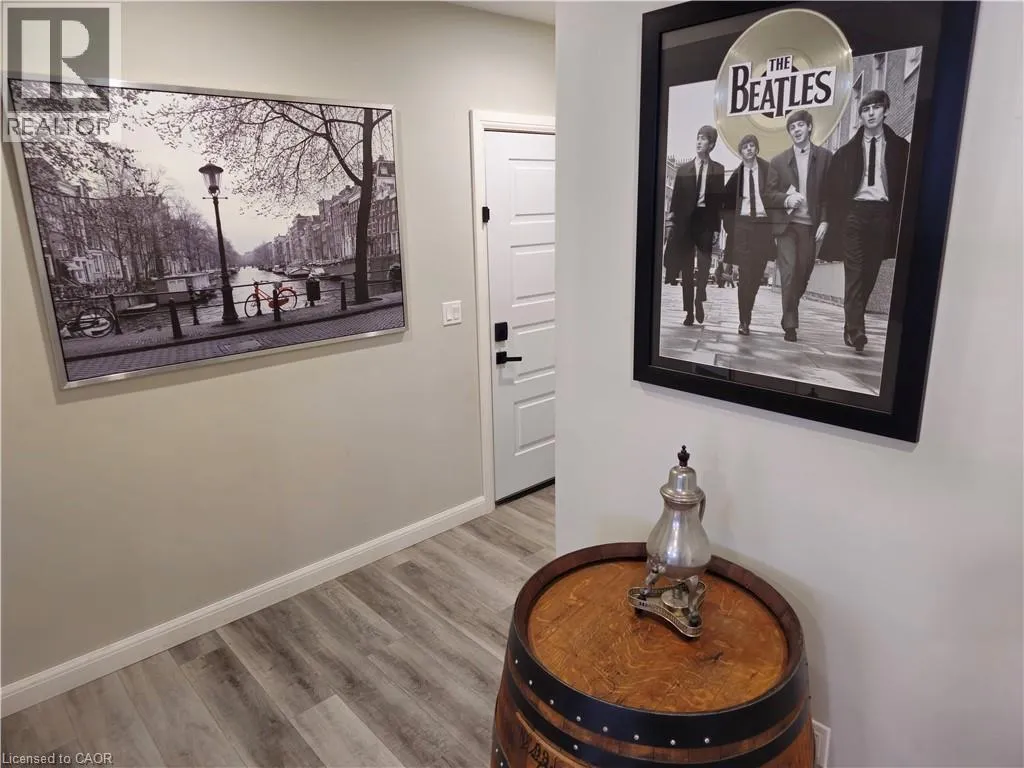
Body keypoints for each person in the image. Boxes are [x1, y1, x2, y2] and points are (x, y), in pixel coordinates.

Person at [825, 90, 910, 352]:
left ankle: (851, 324)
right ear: (860, 116)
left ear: (885, 111)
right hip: (855, 214)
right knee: (854, 272)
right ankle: (857, 330)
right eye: (865, 109)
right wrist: (832, 220)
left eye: (875, 108)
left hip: (882, 215)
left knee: (870, 273)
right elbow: (832, 192)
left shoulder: (901, 149)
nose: (870, 113)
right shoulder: (845, 153)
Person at [764, 110, 832, 342]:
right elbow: (769, 195)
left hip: (810, 227)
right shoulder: (778, 161)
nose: (796, 130)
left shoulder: (825, 158)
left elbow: (828, 194)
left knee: (803, 274)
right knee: (790, 272)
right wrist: (786, 199)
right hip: (787, 227)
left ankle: (790, 308)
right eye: (792, 128)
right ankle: (790, 324)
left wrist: (825, 219)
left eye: (800, 125)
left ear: (809, 127)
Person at [664, 125, 725, 326]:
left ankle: (699, 297)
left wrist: (716, 228)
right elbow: (675, 200)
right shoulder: (683, 170)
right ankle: (689, 311)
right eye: (698, 137)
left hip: (705, 220)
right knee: (687, 267)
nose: (699, 142)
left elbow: (718, 202)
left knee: (705, 263)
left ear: (711, 144)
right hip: (685, 223)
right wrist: (672, 224)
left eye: (704, 138)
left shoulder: (718, 169)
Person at [723, 133, 775, 335]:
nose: (749, 149)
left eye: (752, 145)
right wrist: (732, 228)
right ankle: (743, 320)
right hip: (743, 226)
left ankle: (748, 311)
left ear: (757, 148)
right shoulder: (736, 176)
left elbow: (778, 195)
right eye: (745, 147)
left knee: (756, 276)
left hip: (762, 227)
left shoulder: (768, 170)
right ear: (741, 152)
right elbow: (725, 205)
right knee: (745, 275)